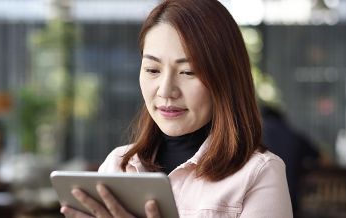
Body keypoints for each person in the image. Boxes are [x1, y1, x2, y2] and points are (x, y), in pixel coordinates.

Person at [61, 0, 292, 217]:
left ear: (226, 78)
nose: (165, 91)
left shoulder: (259, 173)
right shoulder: (117, 166)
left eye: (188, 72)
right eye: (152, 69)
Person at [261, 105, 319, 215]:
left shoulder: (257, 136)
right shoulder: (293, 135)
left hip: (260, 198)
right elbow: (319, 156)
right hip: (290, 197)